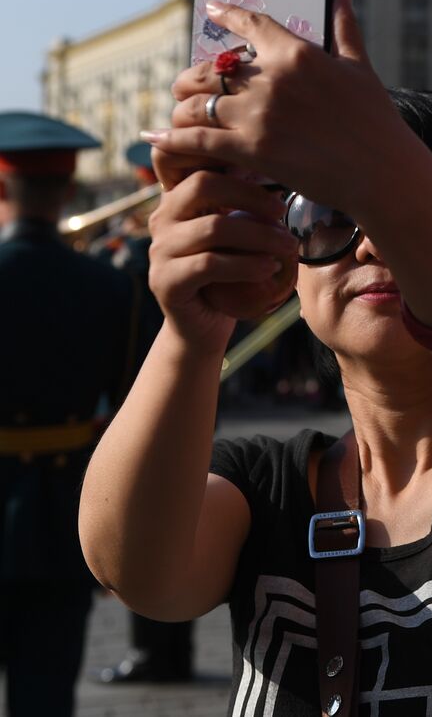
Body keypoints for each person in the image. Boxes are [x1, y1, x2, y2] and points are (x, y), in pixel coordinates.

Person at [78, 50, 432, 715]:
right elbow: (138, 573)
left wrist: (383, 170)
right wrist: (192, 332)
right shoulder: (264, 483)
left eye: (423, 210)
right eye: (325, 215)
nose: (370, 245)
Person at [0, 113, 135, 716]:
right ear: (68, 190)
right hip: (64, 515)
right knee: (47, 692)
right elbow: (131, 413)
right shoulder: (111, 287)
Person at [95, 141, 198, 685]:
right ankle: (162, 647)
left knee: (155, 515)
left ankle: (159, 648)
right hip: (161, 392)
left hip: (155, 393)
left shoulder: (140, 255)